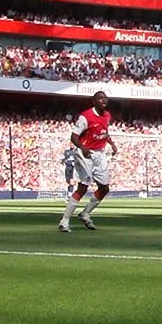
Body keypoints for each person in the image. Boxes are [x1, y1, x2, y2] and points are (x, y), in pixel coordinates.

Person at [58, 91, 118, 232]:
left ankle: (85, 213)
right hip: (85, 153)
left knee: (105, 188)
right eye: (100, 98)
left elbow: (104, 132)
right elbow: (74, 137)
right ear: (94, 101)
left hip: (100, 154)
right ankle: (64, 221)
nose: (104, 100)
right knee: (83, 187)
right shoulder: (85, 117)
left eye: (105, 98)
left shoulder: (107, 115)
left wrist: (112, 143)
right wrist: (83, 147)